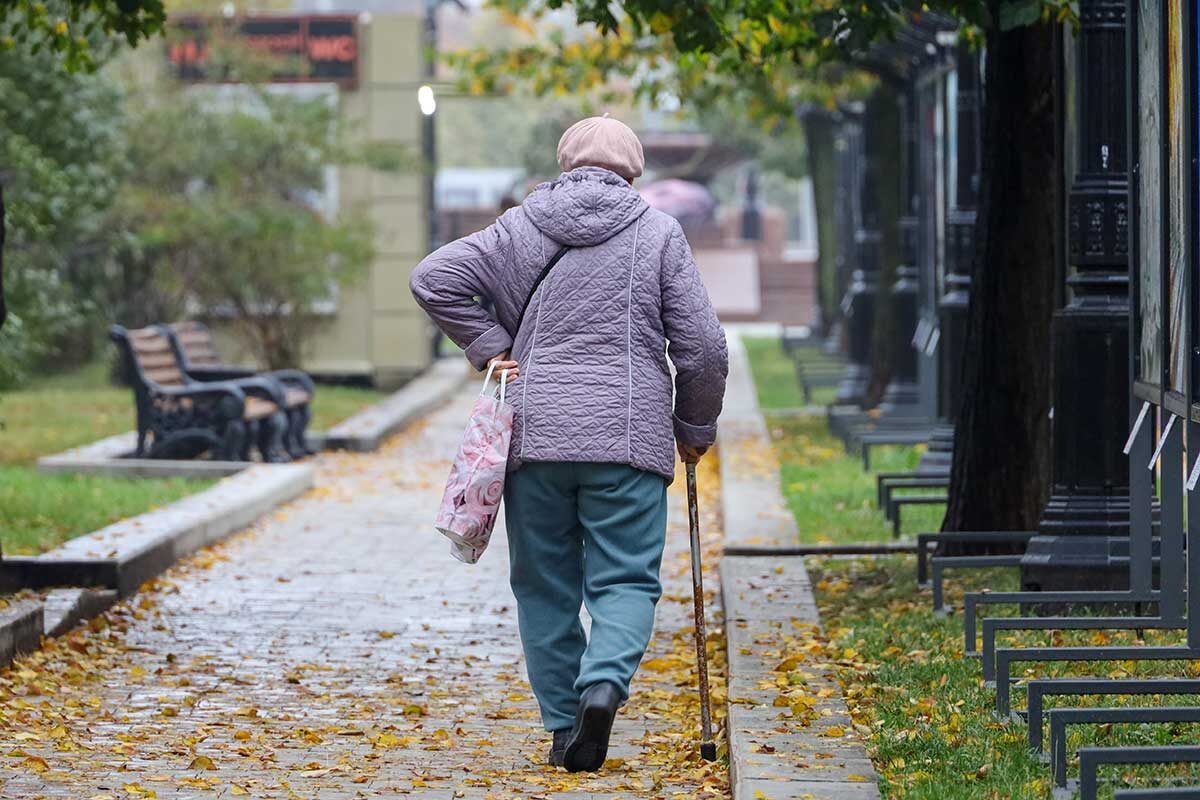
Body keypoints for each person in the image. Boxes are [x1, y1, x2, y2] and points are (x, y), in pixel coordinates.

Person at [410, 115, 728, 773]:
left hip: (536, 437)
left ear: (564, 162)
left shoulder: (518, 227)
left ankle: (563, 726)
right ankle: (603, 686)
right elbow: (701, 348)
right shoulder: (658, 233)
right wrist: (694, 431)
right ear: (633, 170)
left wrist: (492, 347)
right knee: (626, 576)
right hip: (629, 440)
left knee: (543, 583)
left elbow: (434, 278)